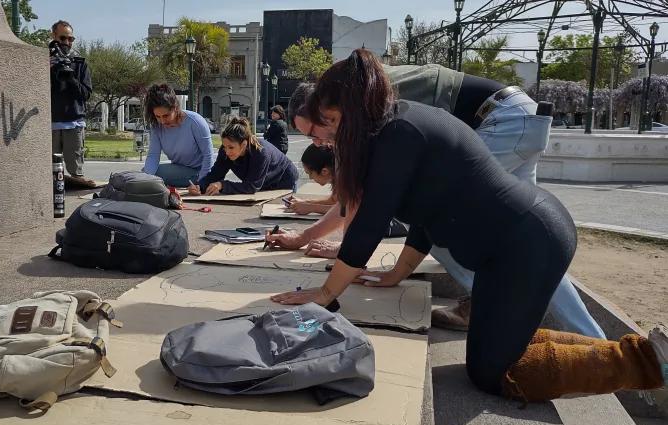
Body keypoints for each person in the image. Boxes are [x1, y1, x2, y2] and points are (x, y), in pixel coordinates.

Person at [269, 49, 667, 405]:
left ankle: (647, 363)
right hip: (518, 242)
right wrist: (397, 273)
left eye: (334, 120)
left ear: (355, 108)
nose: (329, 134)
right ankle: (639, 356)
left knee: (493, 373)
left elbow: (370, 223)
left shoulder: (398, 133)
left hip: (527, 242)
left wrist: (325, 292)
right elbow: (427, 213)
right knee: (498, 352)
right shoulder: (397, 125)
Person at [274, 72, 605, 339]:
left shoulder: (371, 104)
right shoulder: (355, 105)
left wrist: (337, 269)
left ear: (329, 110)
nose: (321, 143)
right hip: (519, 115)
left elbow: (371, 201)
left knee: (455, 223)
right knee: (530, 245)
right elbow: (366, 198)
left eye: (318, 133)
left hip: (502, 120)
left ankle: (496, 307)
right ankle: (590, 337)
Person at [188, 118, 298, 196]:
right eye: (225, 147)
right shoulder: (225, 150)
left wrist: (223, 185)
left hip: (284, 180)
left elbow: (251, 186)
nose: (227, 152)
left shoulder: (260, 153)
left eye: (231, 147)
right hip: (262, 183)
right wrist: (200, 186)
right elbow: (216, 173)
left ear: (244, 144)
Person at [49, 20, 98, 189]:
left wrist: (71, 78)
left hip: (74, 123)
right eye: (63, 38)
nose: (67, 43)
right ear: (53, 36)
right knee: (50, 171)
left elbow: (85, 94)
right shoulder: (44, 61)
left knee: (76, 174)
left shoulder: (79, 63)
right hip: (50, 124)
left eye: (71, 39)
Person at [142, 84, 216, 187]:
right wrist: (145, 180)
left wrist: (202, 184)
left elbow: (208, 156)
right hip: (180, 169)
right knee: (147, 172)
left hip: (201, 171)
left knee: (156, 175)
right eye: (158, 116)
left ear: (175, 108)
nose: (162, 121)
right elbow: (153, 155)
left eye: (166, 115)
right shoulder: (156, 126)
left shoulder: (195, 122)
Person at [285, 144, 337, 215]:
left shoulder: (346, 178)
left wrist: (311, 208)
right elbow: (333, 201)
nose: (310, 178)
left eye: (310, 173)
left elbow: (345, 210)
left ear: (324, 171)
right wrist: (305, 202)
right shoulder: (336, 173)